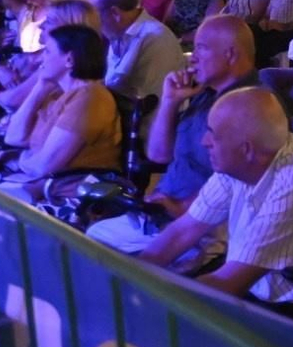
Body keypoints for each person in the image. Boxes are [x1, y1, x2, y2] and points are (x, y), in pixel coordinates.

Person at [139, 87, 293, 313]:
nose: (205, 141)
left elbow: (229, 283)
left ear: (246, 150)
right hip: (257, 288)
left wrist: (146, 303)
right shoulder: (245, 159)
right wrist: (132, 272)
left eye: (213, 134)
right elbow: (185, 229)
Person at [84, 15, 259, 257]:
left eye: (201, 49)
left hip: (201, 229)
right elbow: (158, 155)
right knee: (92, 235)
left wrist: (183, 207)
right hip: (163, 212)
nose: (193, 57)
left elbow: (236, 182)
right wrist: (170, 102)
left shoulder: (251, 105)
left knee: (94, 247)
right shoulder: (206, 95)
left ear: (229, 55)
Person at [0, 25, 122, 201]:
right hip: (43, 181)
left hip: (74, 193)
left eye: (47, 52)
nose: (41, 60)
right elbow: (13, 138)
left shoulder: (90, 97)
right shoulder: (57, 92)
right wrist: (40, 86)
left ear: (69, 59)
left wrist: (18, 159)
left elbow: (43, 165)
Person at [89, 0, 185, 101]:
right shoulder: (118, 33)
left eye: (96, 16)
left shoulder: (155, 38)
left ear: (115, 13)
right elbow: (112, 82)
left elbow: (152, 102)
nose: (95, 24)